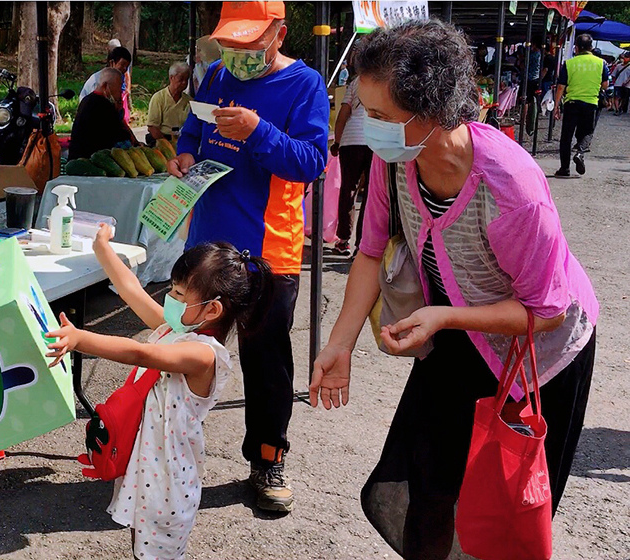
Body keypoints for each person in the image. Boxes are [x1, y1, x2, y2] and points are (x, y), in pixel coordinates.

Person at [310, 21, 597, 560]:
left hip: (542, 354)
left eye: (382, 117)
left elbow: (548, 310)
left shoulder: (510, 188)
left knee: (502, 507)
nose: (369, 129)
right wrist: (339, 344)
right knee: (429, 487)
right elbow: (370, 252)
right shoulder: (394, 164)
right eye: (366, 112)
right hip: (459, 332)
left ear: (436, 110)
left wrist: (446, 317)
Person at [167, 0, 329, 514]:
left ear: (278, 34)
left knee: (266, 367)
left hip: (268, 251)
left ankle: (266, 460)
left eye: (248, 44)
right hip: (208, 244)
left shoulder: (304, 85)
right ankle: (159, 453)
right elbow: (192, 131)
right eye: (229, 44)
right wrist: (185, 155)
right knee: (176, 352)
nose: (236, 55)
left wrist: (258, 130)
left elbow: (311, 162)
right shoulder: (214, 74)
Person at [45, 224, 271, 560]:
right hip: (147, 465)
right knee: (141, 543)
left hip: (169, 480)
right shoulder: (174, 328)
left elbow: (141, 353)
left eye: (180, 295)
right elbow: (131, 289)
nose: (170, 299)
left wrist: (81, 338)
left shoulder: (203, 355)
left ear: (212, 310)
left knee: (158, 552)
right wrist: (102, 248)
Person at [552, 33, 609, 178]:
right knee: (587, 132)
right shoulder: (601, 63)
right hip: (590, 103)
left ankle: (564, 169)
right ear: (591, 47)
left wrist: (556, 106)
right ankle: (580, 152)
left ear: (576, 48)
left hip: (571, 103)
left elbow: (560, 87)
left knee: (566, 136)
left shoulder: (569, 63)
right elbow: (605, 85)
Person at [330, 72, 372, 257]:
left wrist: (337, 142)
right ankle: (362, 245)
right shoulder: (385, 78)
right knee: (372, 194)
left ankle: (343, 240)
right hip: (376, 141)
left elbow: (343, 114)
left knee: (348, 189)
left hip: (351, 140)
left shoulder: (356, 82)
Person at [68, 68, 138, 160]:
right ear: (105, 86)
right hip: (91, 160)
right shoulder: (104, 106)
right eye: (119, 87)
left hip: (80, 157)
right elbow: (120, 138)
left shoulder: (88, 100)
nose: (121, 92)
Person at [80, 46, 134, 124]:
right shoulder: (97, 81)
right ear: (112, 63)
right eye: (122, 65)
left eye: (127, 66)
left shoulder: (120, 78)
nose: (124, 69)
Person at [146, 62, 192, 147]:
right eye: (181, 79)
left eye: (186, 80)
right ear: (171, 78)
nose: (184, 83)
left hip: (182, 138)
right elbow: (152, 127)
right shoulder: (159, 98)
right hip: (162, 138)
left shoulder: (189, 100)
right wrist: (166, 144)